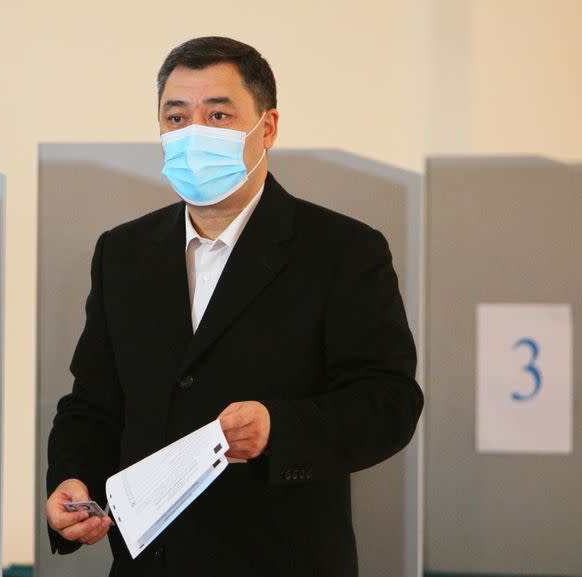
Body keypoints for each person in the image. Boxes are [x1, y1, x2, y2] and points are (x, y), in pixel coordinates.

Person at [45, 36, 423, 577]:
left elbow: (389, 403)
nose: (193, 133)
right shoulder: (123, 252)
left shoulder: (342, 251)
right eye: (176, 118)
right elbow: (93, 402)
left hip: (278, 558)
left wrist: (279, 428)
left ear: (266, 128)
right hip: (150, 563)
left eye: (217, 114)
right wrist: (71, 478)